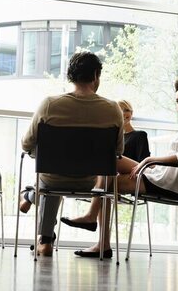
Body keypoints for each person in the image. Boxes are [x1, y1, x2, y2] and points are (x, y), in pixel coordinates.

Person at [62, 76, 178, 257]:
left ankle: (98, 234)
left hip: (171, 184)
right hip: (158, 174)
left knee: (110, 181)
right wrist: (151, 163)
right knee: (109, 159)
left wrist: (150, 160)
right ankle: (92, 222)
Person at [20, 51, 124, 257]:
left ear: (70, 75)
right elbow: (118, 152)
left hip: (52, 179)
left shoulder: (49, 104)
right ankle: (45, 237)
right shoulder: (113, 109)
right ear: (96, 75)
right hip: (87, 182)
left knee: (49, 177)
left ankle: (42, 232)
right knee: (52, 175)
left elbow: (26, 144)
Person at [60, 99, 150, 231]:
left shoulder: (139, 135)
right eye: (120, 111)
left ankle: (91, 216)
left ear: (131, 113)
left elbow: (144, 161)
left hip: (134, 172)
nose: (124, 114)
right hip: (112, 174)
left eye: (127, 110)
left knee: (109, 163)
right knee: (105, 179)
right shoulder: (114, 139)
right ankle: (101, 244)